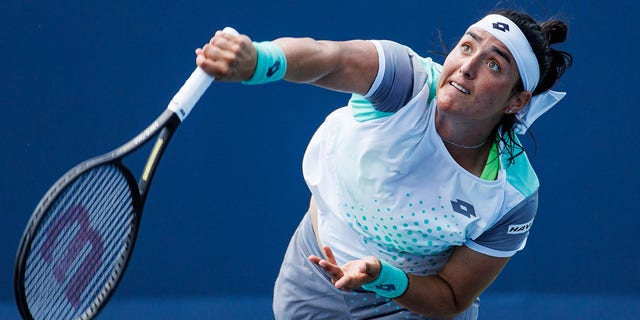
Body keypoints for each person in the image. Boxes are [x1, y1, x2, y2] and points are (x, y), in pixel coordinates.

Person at [196, 8, 572, 319]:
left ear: (517, 101)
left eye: (493, 65)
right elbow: (329, 58)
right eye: (467, 46)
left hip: (411, 303)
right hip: (314, 269)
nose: (466, 67)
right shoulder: (405, 81)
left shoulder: (513, 195)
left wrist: (382, 277)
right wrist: (261, 61)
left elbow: (451, 297)